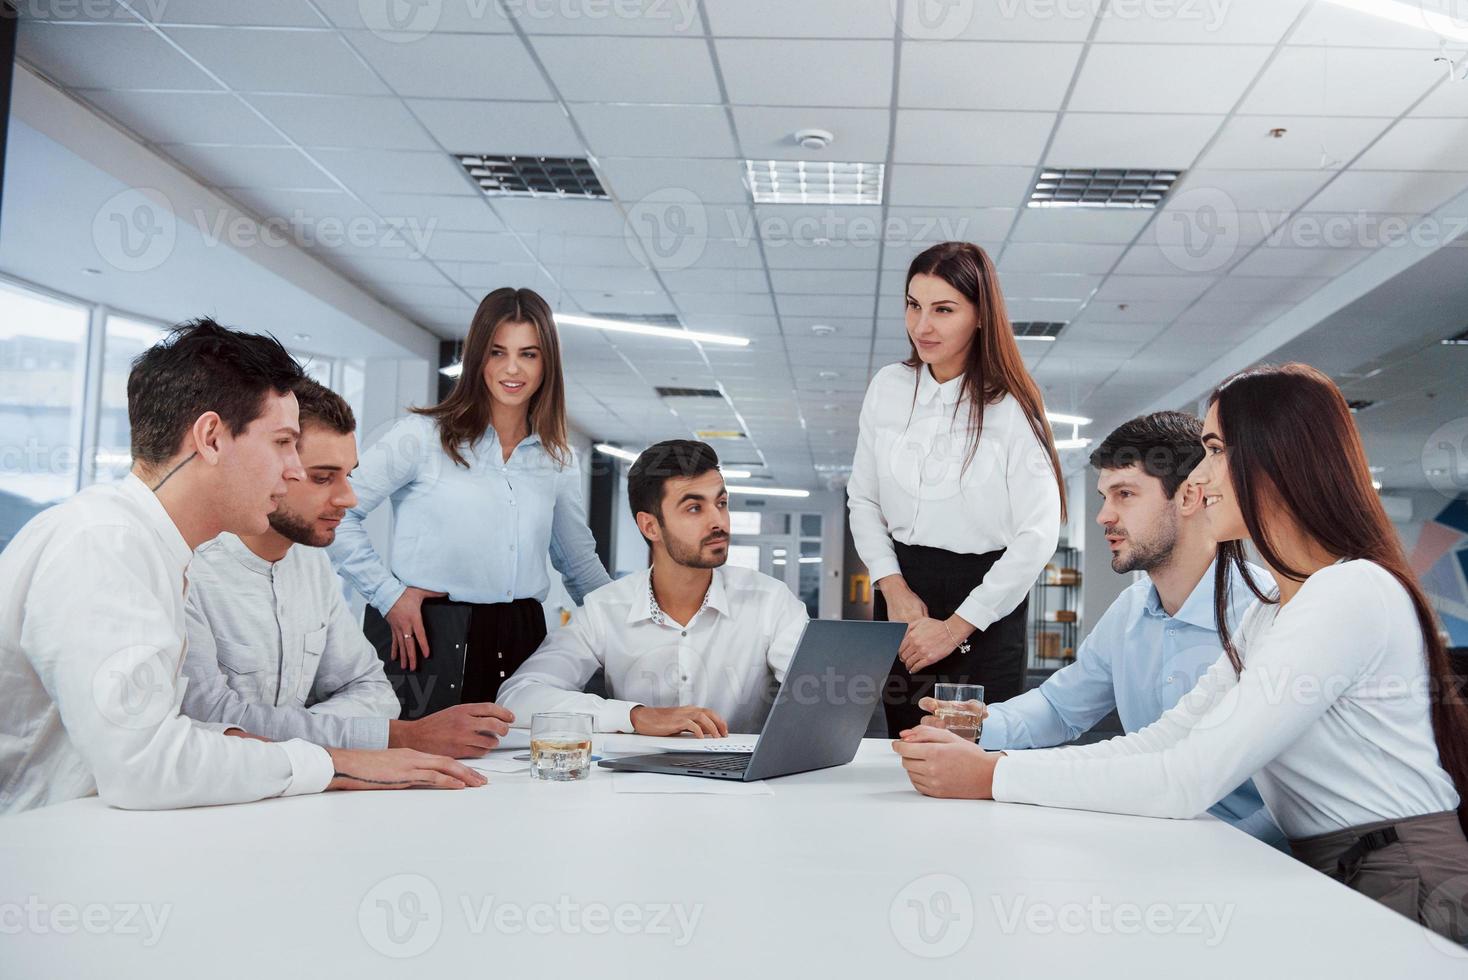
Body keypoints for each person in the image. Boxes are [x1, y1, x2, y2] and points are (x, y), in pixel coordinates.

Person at [893, 363, 1468, 941]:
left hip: (1397, 874)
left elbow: (1189, 776)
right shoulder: (1274, 609)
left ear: (1274, 458)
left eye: (1215, 450)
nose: (1202, 475)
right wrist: (997, 766)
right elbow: (1165, 740)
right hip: (1337, 864)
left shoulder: (1348, 592)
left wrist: (994, 778)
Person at [0, 320, 483, 814]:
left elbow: (175, 732)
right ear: (211, 438)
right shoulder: (104, 547)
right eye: (282, 443)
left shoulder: (153, 548)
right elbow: (142, 766)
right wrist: (339, 762)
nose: (293, 469)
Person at [956, 410, 1283, 846]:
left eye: (1124, 494)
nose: (1103, 516)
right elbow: (1060, 708)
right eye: (1104, 496)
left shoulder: (1266, 612)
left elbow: (1288, 801)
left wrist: (1232, 857)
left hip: (1245, 859)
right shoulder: (1130, 609)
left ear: (1188, 497)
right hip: (1146, 834)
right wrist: (978, 725)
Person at [181, 379, 514, 757]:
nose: (348, 498)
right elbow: (212, 721)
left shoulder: (312, 565)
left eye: (348, 475)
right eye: (323, 478)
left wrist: (303, 728)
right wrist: (396, 736)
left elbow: (374, 691)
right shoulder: (190, 572)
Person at [329, 287, 611, 719]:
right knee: (425, 774)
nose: (512, 368)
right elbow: (336, 512)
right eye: (498, 352)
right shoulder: (420, 437)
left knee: (519, 774)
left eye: (529, 354)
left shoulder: (557, 459)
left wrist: (633, 630)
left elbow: (579, 565)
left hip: (522, 638)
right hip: (430, 637)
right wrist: (388, 595)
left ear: (547, 363)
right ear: (478, 357)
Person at [848, 241, 1066, 736]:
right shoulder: (889, 388)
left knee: (974, 754)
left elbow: (1037, 535)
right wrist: (893, 587)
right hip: (903, 590)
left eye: (943, 309)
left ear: (980, 315)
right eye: (913, 305)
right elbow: (863, 499)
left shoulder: (1011, 408)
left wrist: (956, 627)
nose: (922, 326)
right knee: (907, 744)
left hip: (985, 602)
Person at [499, 440, 808, 736]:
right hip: (631, 783)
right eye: (694, 508)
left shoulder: (769, 601)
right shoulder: (605, 609)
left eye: (721, 503)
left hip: (744, 784)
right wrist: (635, 716)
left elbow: (821, 689)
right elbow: (518, 698)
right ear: (650, 526)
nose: (719, 522)